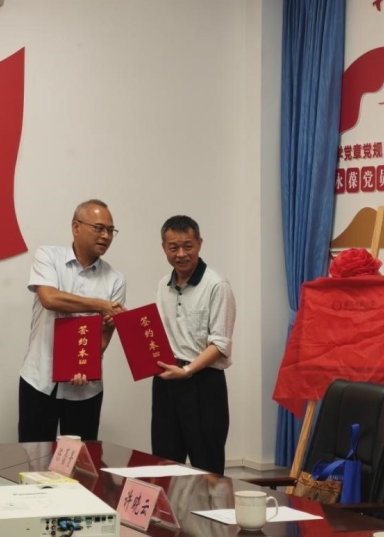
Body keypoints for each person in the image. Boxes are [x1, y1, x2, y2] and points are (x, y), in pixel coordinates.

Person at [18, 199, 126, 442]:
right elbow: (49, 298)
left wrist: (84, 365)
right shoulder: (48, 256)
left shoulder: (116, 280)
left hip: (85, 389)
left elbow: (104, 336)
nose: (106, 236)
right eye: (99, 228)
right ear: (76, 227)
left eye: (111, 230)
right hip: (39, 379)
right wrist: (99, 305)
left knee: (81, 460)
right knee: (33, 457)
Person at [152, 215, 236, 474]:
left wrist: (187, 370)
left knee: (207, 468)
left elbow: (220, 343)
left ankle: (209, 505)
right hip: (166, 382)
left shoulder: (216, 285)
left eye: (187, 246)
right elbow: (159, 333)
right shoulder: (163, 285)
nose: (181, 254)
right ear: (163, 248)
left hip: (203, 384)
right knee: (164, 464)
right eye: (173, 247)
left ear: (199, 243)